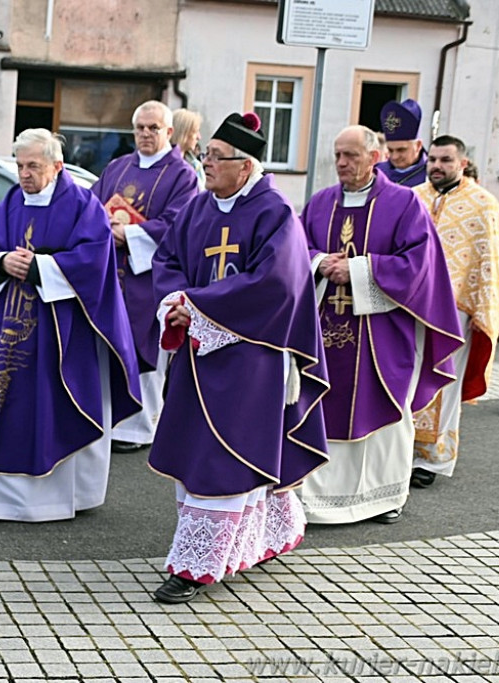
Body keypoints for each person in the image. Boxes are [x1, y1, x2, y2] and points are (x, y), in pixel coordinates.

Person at [147, 112, 329, 604]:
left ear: (244, 166)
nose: (204, 164)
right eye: (204, 154)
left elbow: (279, 283)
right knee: (195, 449)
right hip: (195, 352)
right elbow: (166, 261)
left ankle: (196, 567)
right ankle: (261, 536)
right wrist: (175, 304)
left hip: (250, 358)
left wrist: (199, 306)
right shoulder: (198, 208)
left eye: (214, 157)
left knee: (225, 454)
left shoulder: (275, 213)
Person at [0, 129, 141, 521]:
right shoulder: (15, 200)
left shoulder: (83, 204)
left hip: (61, 328)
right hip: (8, 322)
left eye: (33, 165)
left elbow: (94, 260)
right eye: (19, 165)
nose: (24, 174)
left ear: (57, 166)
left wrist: (41, 268)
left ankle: (45, 500)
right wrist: (1, 263)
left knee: (47, 403)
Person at [298, 125, 462, 525]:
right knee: (319, 402)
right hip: (324, 327)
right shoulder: (319, 204)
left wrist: (356, 269)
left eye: (351, 155)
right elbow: (295, 250)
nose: (341, 163)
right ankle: (314, 500)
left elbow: (419, 265)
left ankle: (383, 497)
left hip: (381, 334)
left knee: (387, 406)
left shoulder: (404, 204)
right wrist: (321, 263)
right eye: (337, 154)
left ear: (375, 157)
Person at [91, 100, 199, 453]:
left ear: (169, 132)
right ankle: (106, 420)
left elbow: (178, 222)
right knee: (108, 345)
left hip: (149, 276)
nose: (146, 134)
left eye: (154, 128)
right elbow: (92, 205)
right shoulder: (118, 166)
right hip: (112, 273)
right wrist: (105, 226)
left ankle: (140, 427)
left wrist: (130, 235)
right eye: (140, 127)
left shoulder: (182, 175)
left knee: (146, 346)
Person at [411, 135, 499, 486]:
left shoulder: (483, 203)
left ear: (462, 163)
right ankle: (403, 452)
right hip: (413, 306)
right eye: (433, 159)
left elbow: (491, 262)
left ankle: (434, 460)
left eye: (446, 160)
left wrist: (482, 311)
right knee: (410, 380)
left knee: (444, 383)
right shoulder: (414, 199)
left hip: (457, 309)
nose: (437, 166)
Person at [376, 98, 428, 187]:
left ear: (418, 146)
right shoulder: (377, 172)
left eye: (401, 150)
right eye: (390, 150)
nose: (394, 157)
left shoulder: (432, 174)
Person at [171, 107, 206, 190]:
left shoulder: (195, 164)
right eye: (195, 131)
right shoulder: (163, 164)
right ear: (183, 133)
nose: (199, 137)